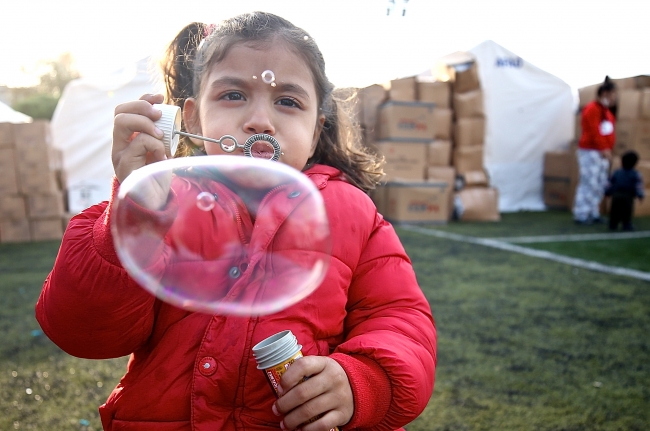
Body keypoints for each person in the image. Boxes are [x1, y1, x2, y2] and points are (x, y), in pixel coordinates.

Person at [35, 12, 436, 431]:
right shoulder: (163, 205)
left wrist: (363, 382)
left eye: (287, 101)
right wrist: (134, 217)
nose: (259, 121)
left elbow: (400, 319)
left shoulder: (355, 214)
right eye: (232, 95)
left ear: (316, 131)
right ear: (192, 119)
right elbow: (84, 332)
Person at [573, 76, 617, 225]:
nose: (613, 98)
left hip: (603, 153)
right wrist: (603, 148)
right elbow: (593, 131)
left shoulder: (608, 113)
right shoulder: (592, 109)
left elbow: (607, 132)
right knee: (589, 182)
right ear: (605, 93)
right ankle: (582, 213)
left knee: (599, 183)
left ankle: (593, 212)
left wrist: (608, 149)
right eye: (612, 95)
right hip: (590, 151)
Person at [605, 150, 645, 231]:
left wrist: (607, 192)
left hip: (616, 195)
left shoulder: (616, 172)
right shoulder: (636, 174)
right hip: (628, 196)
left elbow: (609, 183)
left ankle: (613, 224)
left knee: (614, 210)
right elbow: (638, 186)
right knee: (627, 211)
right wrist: (640, 195)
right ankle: (626, 224)